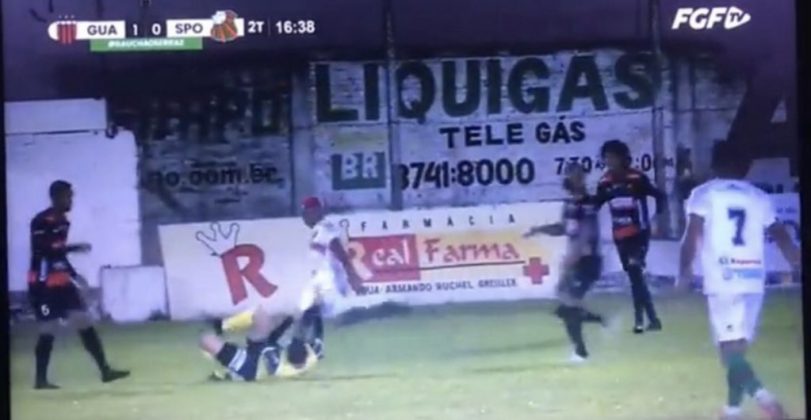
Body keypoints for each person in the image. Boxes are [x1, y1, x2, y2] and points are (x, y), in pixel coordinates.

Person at [678, 141, 799, 420]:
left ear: (714, 164)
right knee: (737, 351)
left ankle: (765, 399)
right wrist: (795, 259)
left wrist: (684, 271)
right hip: (753, 279)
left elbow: (692, 234)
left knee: (729, 353)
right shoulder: (759, 196)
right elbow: (780, 234)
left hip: (724, 278)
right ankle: (732, 411)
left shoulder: (704, 193)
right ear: (746, 167)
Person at [28, 180, 130, 389]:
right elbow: (42, 251)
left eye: (71, 196)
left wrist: (73, 275)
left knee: (84, 321)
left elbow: (58, 254)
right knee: (48, 328)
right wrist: (73, 248)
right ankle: (40, 380)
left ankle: (105, 371)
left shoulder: (64, 222)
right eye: (68, 196)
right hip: (44, 283)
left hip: (62, 281)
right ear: (56, 197)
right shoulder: (40, 221)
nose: (71, 200)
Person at [524, 163, 604, 362]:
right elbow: (563, 228)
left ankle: (581, 351)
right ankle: (597, 321)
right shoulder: (569, 204)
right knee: (563, 300)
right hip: (575, 260)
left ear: (582, 179)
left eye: (576, 176)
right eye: (570, 175)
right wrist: (539, 230)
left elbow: (588, 232)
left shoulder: (588, 203)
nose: (571, 179)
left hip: (587, 260)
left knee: (567, 306)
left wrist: (575, 254)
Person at [593, 140, 665, 334]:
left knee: (635, 272)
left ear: (622, 157)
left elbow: (659, 196)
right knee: (635, 277)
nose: (609, 161)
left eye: (612, 157)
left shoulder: (636, 178)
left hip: (638, 234)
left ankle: (639, 321)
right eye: (606, 157)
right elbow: (595, 204)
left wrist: (656, 218)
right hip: (620, 236)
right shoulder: (605, 182)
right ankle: (653, 320)